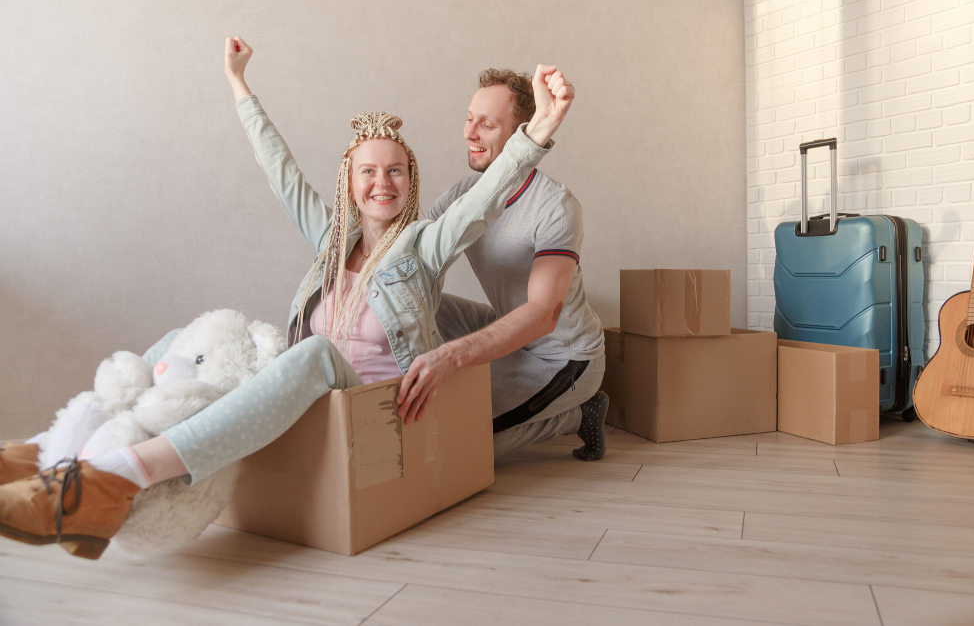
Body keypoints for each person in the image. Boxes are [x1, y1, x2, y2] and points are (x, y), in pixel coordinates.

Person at [0, 37, 575, 560]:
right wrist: (238, 84)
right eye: (369, 171)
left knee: (314, 352)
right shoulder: (330, 241)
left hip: (374, 402)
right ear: (349, 182)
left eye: (396, 171)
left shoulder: (424, 245)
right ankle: (50, 447)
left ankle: (118, 477)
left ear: (411, 180)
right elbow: (280, 170)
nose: (383, 183)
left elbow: (485, 200)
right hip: (311, 390)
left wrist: (540, 130)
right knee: (190, 340)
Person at [395, 69, 607, 462]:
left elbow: (543, 315)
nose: (469, 132)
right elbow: (414, 262)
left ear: (521, 134)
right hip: (503, 323)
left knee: (460, 444)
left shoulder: (554, 206)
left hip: (560, 356)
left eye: (487, 124)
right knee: (407, 297)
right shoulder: (464, 194)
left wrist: (453, 356)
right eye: (469, 118)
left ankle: (580, 413)